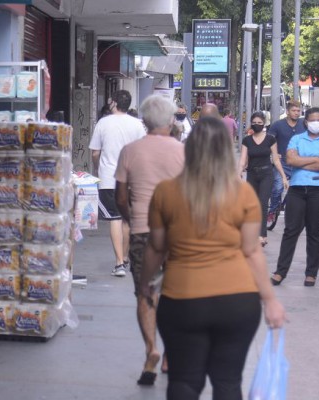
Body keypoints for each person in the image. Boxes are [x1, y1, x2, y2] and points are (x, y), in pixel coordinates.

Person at [140, 116, 287, 399]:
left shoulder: (166, 192)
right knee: (228, 383)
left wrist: (146, 284)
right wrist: (270, 301)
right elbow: (251, 250)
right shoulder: (242, 193)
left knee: (184, 382)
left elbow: (156, 247)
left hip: (183, 299)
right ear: (225, 149)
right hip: (237, 301)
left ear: (190, 149)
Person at [114, 95, 185, 386]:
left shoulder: (130, 151)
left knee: (146, 293)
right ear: (171, 122)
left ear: (144, 122)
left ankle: (151, 351)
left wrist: (132, 220)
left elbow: (120, 198)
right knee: (176, 295)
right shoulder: (184, 152)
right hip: (179, 235)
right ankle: (169, 354)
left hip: (144, 231)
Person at [272, 107, 319, 287]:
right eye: (313, 120)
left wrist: (304, 162)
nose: (317, 123)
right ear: (306, 122)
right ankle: (280, 271)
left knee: (314, 231)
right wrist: (316, 160)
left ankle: (311, 273)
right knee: (291, 230)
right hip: (297, 189)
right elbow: (291, 160)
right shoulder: (296, 139)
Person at [89, 90, 147, 277]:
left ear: (113, 102)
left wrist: (98, 169)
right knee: (126, 219)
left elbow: (95, 153)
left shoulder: (103, 123)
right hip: (131, 178)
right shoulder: (138, 125)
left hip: (108, 178)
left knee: (114, 218)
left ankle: (119, 263)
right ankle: (126, 258)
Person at [239, 112, 289, 247]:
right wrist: (238, 173)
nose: (257, 125)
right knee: (252, 205)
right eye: (254, 123)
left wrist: (284, 177)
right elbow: (242, 160)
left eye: (260, 123)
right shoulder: (247, 140)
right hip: (252, 175)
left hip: (267, 174)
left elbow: (276, 160)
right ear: (251, 123)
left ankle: (262, 235)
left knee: (262, 203)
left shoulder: (270, 139)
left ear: (264, 124)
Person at [267, 100, 307, 224]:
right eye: (293, 111)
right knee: (278, 187)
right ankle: (272, 211)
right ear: (288, 112)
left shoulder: (304, 124)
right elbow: (269, 141)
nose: (296, 113)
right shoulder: (278, 125)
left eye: (298, 111)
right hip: (282, 162)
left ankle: (292, 209)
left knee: (300, 188)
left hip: (298, 162)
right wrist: (274, 153)